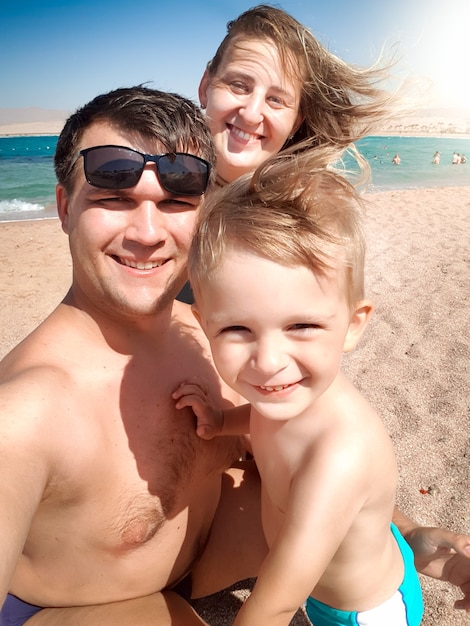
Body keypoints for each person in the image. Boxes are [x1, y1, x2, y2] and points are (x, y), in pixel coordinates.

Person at [1, 84, 470, 626]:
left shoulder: (219, 337)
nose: (148, 232)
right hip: (80, 605)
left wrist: (410, 535)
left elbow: (317, 463)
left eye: (176, 201)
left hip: (207, 557)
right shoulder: (27, 411)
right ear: (63, 207)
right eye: (114, 198)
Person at [173, 151, 424, 625]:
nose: (268, 362)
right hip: (327, 585)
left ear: (353, 325)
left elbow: (275, 604)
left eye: (302, 325)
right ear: (204, 325)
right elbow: (267, 421)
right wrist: (223, 420)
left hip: (362, 610)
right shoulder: (286, 399)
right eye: (237, 330)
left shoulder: (339, 457)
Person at [198, 4, 397, 187]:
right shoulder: (165, 179)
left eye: (275, 100)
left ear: (295, 123)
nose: (251, 115)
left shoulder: (309, 221)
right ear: (205, 87)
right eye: (239, 86)